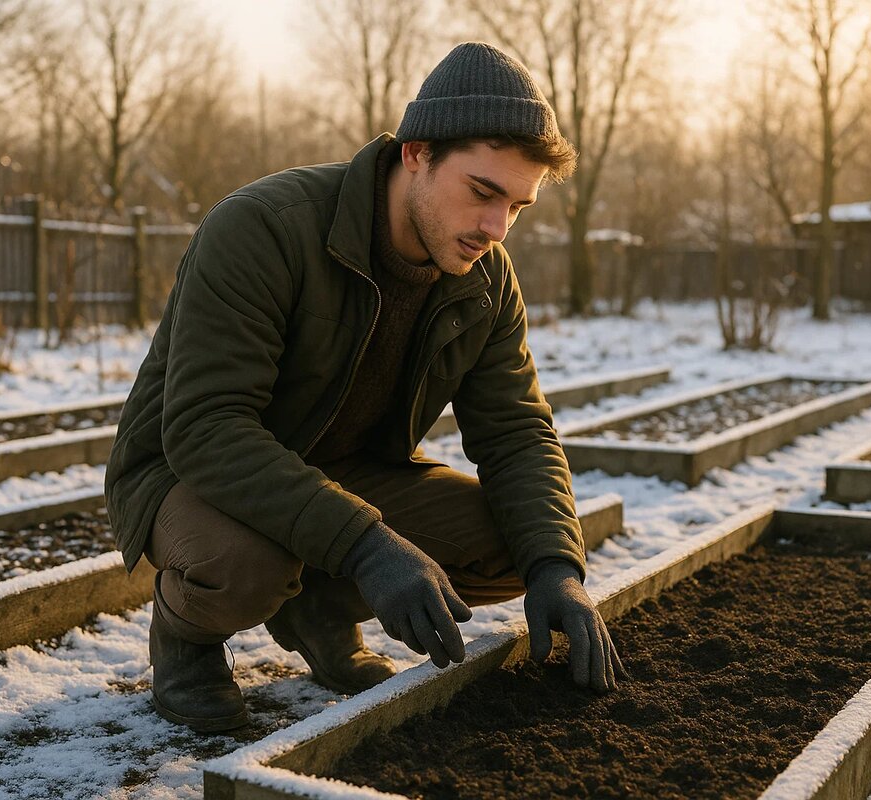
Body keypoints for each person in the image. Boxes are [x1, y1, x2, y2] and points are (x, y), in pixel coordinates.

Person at [104, 41, 626, 733]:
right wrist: (365, 545)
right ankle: (186, 638)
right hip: (191, 472)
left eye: (518, 206)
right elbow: (205, 427)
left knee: (519, 541)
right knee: (248, 564)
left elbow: (517, 431)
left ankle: (318, 611)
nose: (496, 228)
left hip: (345, 471)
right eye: (482, 192)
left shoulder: (486, 278)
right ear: (416, 152)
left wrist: (559, 567)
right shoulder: (263, 229)